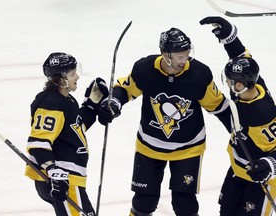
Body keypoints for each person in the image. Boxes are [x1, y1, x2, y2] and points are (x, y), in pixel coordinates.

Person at [98, 28, 231, 215]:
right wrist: (113, 103)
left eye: (186, 55)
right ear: (165, 54)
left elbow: (218, 106)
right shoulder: (144, 69)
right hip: (149, 145)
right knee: (144, 202)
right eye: (179, 56)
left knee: (185, 204)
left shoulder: (199, 74)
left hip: (189, 147)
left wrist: (241, 132)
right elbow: (125, 89)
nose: (184, 60)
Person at [200, 16, 276, 216]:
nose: (228, 83)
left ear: (241, 84)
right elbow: (242, 57)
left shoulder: (262, 114)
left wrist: (268, 165)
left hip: (262, 180)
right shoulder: (250, 87)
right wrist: (229, 36)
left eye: (232, 81)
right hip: (238, 170)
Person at [25, 52, 108, 216]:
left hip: (67, 178)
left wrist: (92, 105)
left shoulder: (67, 100)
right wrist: (52, 170)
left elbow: (75, 129)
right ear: (60, 79)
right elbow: (38, 144)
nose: (77, 76)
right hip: (63, 178)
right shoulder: (50, 102)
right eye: (72, 73)